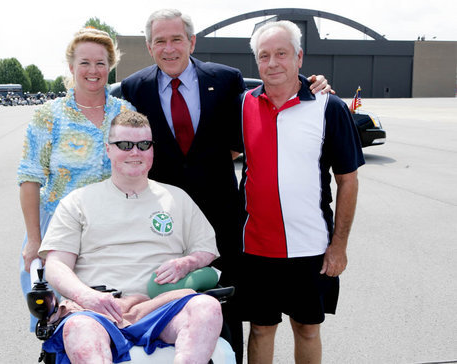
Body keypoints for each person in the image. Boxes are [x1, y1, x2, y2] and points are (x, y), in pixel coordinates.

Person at [119, 9, 332, 362]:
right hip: (161, 217)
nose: (169, 49)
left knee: (228, 302)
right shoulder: (134, 87)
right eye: (160, 41)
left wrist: (312, 83)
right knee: (164, 297)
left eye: (176, 40)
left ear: (192, 41)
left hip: (222, 215)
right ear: (148, 46)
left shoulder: (226, 78)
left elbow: (267, 98)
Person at [38, 110, 224, 363]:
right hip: (97, 309)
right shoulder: (78, 202)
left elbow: (206, 249)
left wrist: (187, 263)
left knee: (207, 307)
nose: (135, 152)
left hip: (161, 307)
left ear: (152, 150)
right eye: (124, 145)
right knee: (79, 329)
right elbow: (57, 265)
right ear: (108, 150)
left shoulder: (177, 198)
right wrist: (86, 296)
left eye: (143, 145)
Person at [238, 20, 365, 364]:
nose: (273, 62)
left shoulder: (329, 108)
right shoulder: (242, 105)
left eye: (282, 53)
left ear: (299, 57)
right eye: (264, 56)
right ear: (257, 62)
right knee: (261, 329)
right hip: (257, 247)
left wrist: (339, 246)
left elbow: (348, 180)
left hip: (311, 246)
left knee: (307, 328)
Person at [17, 27, 135, 331]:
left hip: (113, 233)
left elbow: (138, 170)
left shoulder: (125, 113)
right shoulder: (49, 115)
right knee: (58, 324)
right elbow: (29, 178)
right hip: (59, 232)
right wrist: (34, 239)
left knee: (112, 321)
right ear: (71, 67)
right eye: (85, 62)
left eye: (100, 63)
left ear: (110, 66)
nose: (93, 71)